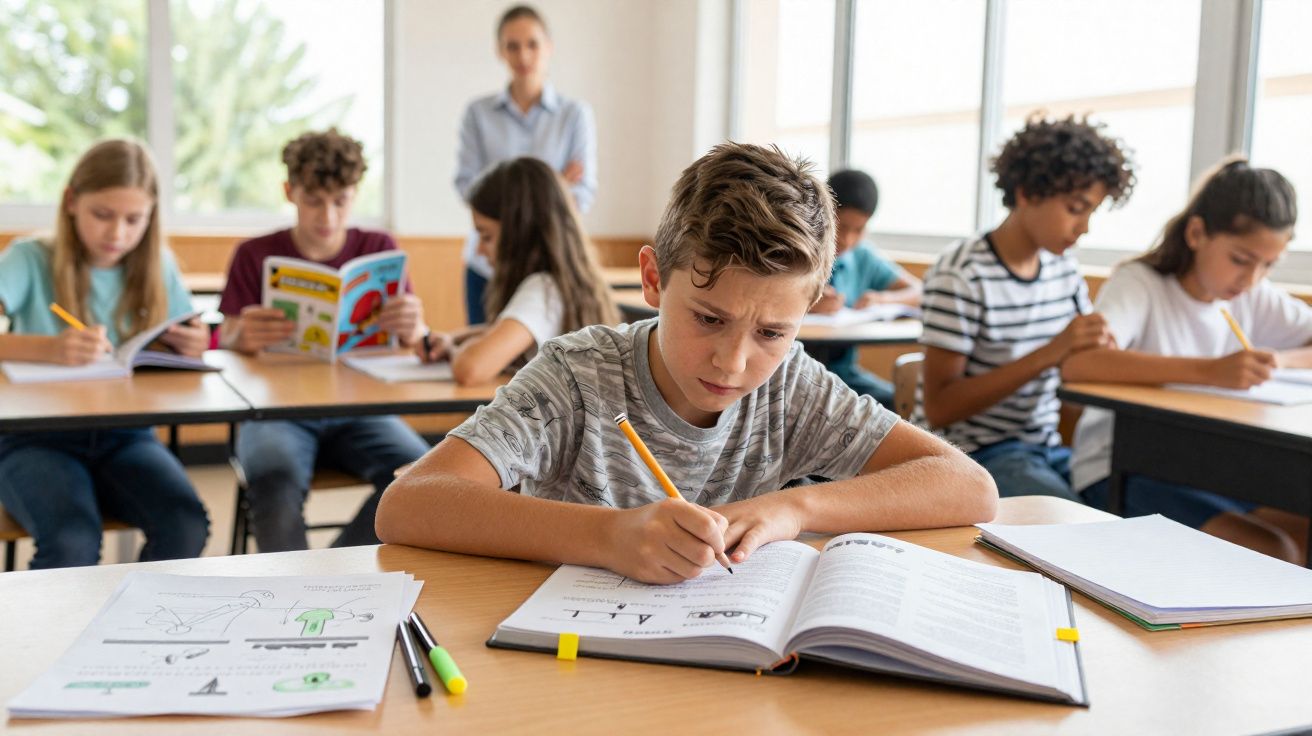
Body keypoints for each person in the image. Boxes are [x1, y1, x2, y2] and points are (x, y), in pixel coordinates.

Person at [377, 142, 997, 584]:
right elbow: (410, 504)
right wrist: (609, 537)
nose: (732, 361)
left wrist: (793, 508)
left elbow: (969, 486)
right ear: (652, 279)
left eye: (773, 331)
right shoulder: (580, 374)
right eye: (708, 318)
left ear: (807, 310)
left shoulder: (790, 387)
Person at [1064, 159, 1312, 561]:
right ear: (1197, 233)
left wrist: (1280, 361)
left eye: (1268, 265)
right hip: (1121, 467)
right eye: (1240, 260)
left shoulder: (1252, 295)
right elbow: (1080, 365)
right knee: (1275, 550)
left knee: (1300, 527)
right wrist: (1211, 372)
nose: (1251, 279)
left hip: (1212, 465)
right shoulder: (1140, 283)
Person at [0, 139, 209, 569]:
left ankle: (139, 623)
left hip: (125, 435)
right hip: (33, 439)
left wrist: (194, 342)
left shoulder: (157, 264)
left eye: (134, 220)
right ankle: (54, 636)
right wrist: (45, 349)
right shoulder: (29, 257)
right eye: (102, 215)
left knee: (185, 523)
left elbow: (187, 334)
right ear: (71, 201)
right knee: (73, 540)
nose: (118, 234)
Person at [217, 129, 429, 552]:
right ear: (289, 191)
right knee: (274, 484)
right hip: (275, 410)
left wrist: (416, 329)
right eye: (314, 200)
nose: (327, 217)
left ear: (355, 194)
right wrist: (239, 334)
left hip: (361, 407)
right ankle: (293, 596)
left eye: (341, 200)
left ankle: (331, 573)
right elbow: (221, 337)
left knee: (422, 478)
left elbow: (413, 341)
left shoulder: (378, 247)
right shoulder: (253, 254)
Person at [913, 114, 1135, 500]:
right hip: (975, 454)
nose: (1084, 227)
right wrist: (1051, 352)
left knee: (1128, 493)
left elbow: (1079, 357)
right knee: (1079, 525)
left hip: (1046, 447)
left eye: (1091, 212)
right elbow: (940, 408)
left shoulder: (1061, 267)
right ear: (1027, 193)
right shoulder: (962, 274)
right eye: (1075, 208)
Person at [455, 4, 597, 324]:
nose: (523, 56)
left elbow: (582, 195)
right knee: (484, 359)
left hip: (548, 265)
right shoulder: (478, 114)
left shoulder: (574, 115)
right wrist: (554, 184)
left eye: (532, 44)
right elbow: (468, 187)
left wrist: (506, 200)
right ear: (500, 51)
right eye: (512, 46)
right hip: (485, 266)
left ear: (548, 47)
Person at [417, 157, 617, 385]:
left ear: (521, 233)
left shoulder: (543, 291)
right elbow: (502, 328)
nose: (480, 250)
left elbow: (470, 369)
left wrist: (454, 350)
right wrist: (453, 339)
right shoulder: (556, 284)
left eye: (486, 237)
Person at [807, 169, 922, 407]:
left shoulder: (862, 257)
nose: (847, 239)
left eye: (858, 230)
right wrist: (807, 303)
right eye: (841, 226)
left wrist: (882, 300)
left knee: (897, 402)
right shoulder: (800, 248)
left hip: (844, 373)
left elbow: (920, 291)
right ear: (824, 213)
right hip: (799, 372)